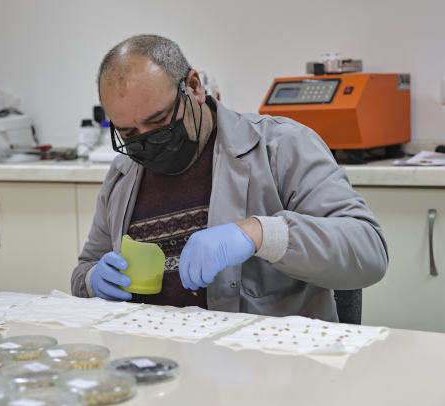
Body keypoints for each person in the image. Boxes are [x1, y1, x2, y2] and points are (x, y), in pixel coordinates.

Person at [71, 34, 388, 322]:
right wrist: (92, 280)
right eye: (129, 133)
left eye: (159, 120)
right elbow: (85, 268)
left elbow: (368, 251)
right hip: (153, 356)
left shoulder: (281, 146)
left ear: (194, 87)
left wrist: (260, 234)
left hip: (265, 358)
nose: (148, 140)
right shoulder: (123, 175)